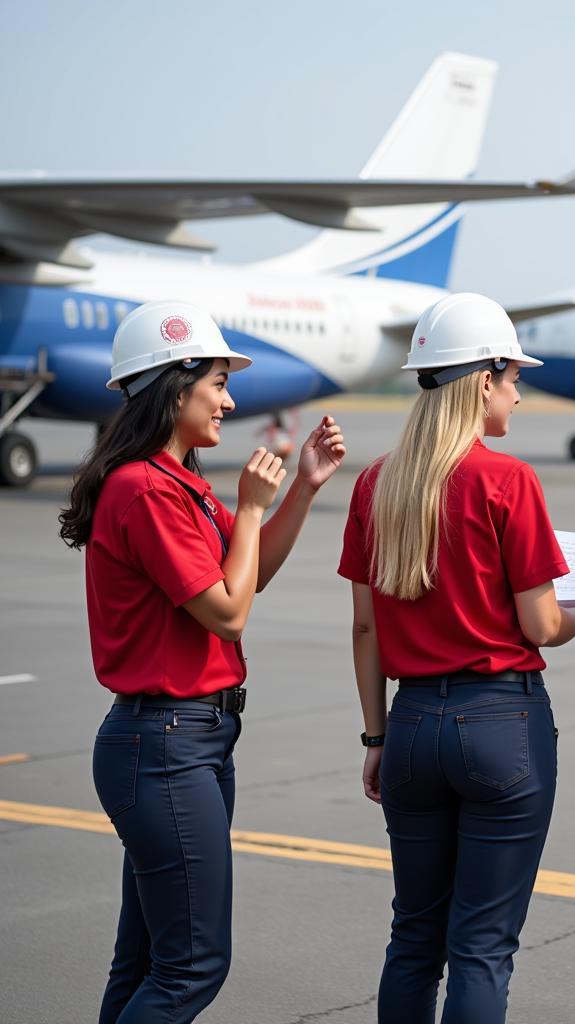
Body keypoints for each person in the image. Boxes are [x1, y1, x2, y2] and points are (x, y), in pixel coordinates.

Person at [58, 300, 346, 1024]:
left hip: (190, 742)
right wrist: (249, 509)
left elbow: (247, 577)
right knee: (191, 967)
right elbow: (228, 610)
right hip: (165, 746)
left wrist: (302, 487)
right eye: (217, 382)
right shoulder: (146, 489)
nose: (231, 399)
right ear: (171, 386)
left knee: (149, 960)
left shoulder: (176, 480)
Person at [338, 292, 575, 1024]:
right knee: (481, 946)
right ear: (482, 379)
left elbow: (366, 631)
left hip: (413, 725)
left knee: (414, 937)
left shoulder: (376, 484)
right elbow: (542, 623)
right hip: (500, 723)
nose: (519, 391)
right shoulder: (506, 481)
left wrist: (376, 736)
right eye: (513, 375)